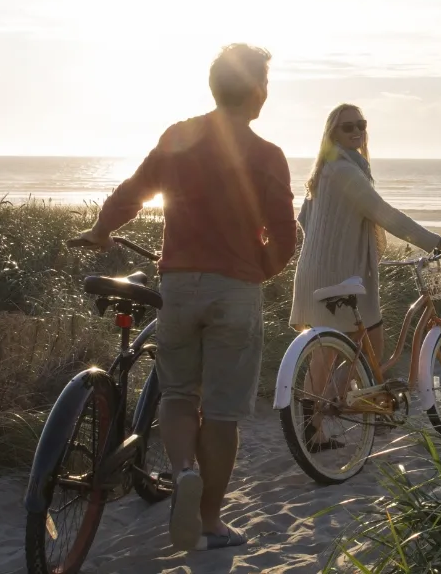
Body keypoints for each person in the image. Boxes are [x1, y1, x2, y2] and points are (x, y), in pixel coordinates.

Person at [71, 43, 294, 552]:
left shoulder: (181, 135)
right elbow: (283, 235)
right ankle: (210, 520)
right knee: (221, 412)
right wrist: (259, 268)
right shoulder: (267, 155)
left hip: (178, 287)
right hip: (234, 291)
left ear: (215, 87)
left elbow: (135, 190)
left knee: (176, 394)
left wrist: (102, 229)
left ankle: (182, 469)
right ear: (258, 91)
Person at [291, 104, 441, 377]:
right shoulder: (345, 171)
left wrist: (330, 247)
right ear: (333, 134)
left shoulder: (323, 171)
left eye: (361, 125)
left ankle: (319, 411)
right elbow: (384, 214)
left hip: (313, 273)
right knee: (369, 349)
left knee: (328, 353)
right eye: (348, 127)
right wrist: (433, 241)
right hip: (339, 276)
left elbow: (305, 220)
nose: (357, 131)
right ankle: (343, 407)